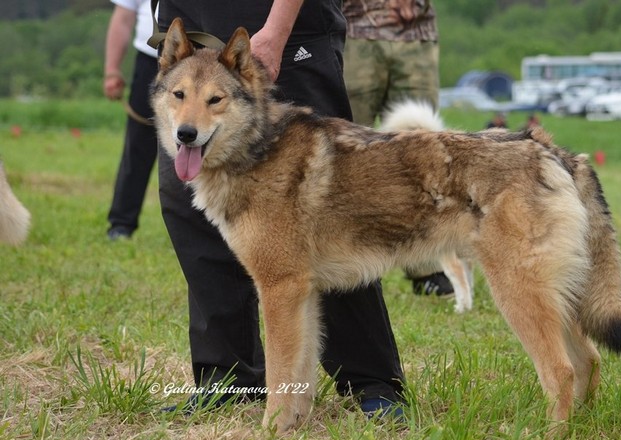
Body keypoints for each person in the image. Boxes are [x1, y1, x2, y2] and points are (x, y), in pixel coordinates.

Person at [153, 0, 405, 417]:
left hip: (281, 26)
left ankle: (371, 381)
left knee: (336, 205)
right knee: (188, 208)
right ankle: (228, 379)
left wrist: (277, 28)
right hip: (188, 19)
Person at [342, 0, 452, 297]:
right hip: (354, 30)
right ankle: (349, 257)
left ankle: (427, 266)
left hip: (416, 31)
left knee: (424, 150)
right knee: (349, 149)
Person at [103, 0, 159, 240]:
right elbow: (123, 18)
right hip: (151, 60)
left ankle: (203, 230)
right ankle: (121, 224)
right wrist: (112, 71)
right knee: (137, 146)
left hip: (200, 57)